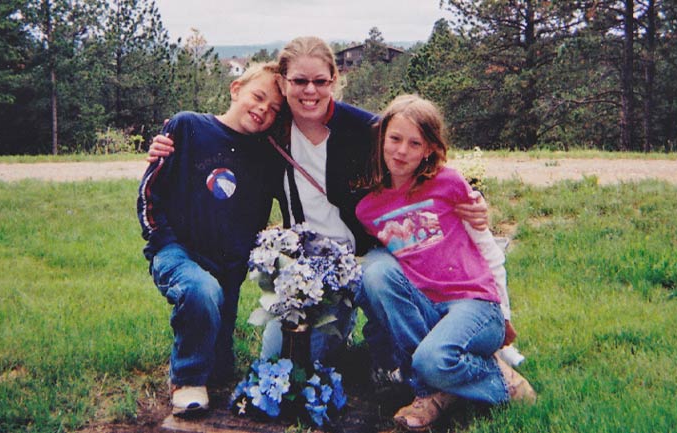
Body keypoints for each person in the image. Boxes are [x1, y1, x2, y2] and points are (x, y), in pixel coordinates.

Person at [145, 36, 489, 370]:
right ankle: (346, 326)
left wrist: (473, 197)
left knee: (378, 277)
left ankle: (407, 359)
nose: (310, 91)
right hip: (308, 266)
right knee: (283, 362)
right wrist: (170, 141)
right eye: (299, 81)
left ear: (333, 81)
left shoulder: (366, 130)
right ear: (284, 82)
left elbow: (419, 158)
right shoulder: (271, 132)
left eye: (319, 81)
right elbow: (224, 137)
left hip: (363, 256)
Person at [354, 94, 536, 431]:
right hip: (427, 306)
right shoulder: (369, 210)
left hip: (474, 306)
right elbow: (388, 287)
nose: (401, 151)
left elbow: (489, 248)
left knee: (431, 359)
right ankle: (435, 390)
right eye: (394, 139)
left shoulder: (448, 183)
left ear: (429, 149)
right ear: (382, 140)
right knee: (374, 272)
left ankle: (498, 380)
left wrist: (505, 315)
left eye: (414, 143)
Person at [136, 62, 284, 416]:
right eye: (257, 96)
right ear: (235, 89)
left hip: (227, 267)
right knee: (201, 292)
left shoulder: (267, 153)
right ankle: (185, 380)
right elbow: (149, 192)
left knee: (220, 368)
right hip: (176, 252)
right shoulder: (187, 126)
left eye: (274, 109)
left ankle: (206, 365)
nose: (263, 109)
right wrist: (161, 239)